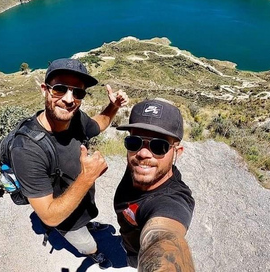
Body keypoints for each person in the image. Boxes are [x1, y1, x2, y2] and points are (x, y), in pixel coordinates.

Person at [11, 58, 128, 269]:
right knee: (86, 244)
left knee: (88, 219)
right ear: (45, 90)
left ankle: (89, 224)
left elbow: (97, 124)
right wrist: (88, 176)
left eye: (78, 92)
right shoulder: (26, 149)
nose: (69, 99)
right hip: (65, 219)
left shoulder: (74, 118)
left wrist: (113, 106)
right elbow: (49, 216)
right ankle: (96, 255)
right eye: (60, 89)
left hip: (81, 201)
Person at [114, 98, 195, 271]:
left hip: (141, 255)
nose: (143, 153)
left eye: (159, 146)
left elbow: (164, 238)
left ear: (177, 152)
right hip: (128, 243)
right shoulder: (139, 168)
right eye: (134, 142)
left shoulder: (172, 201)